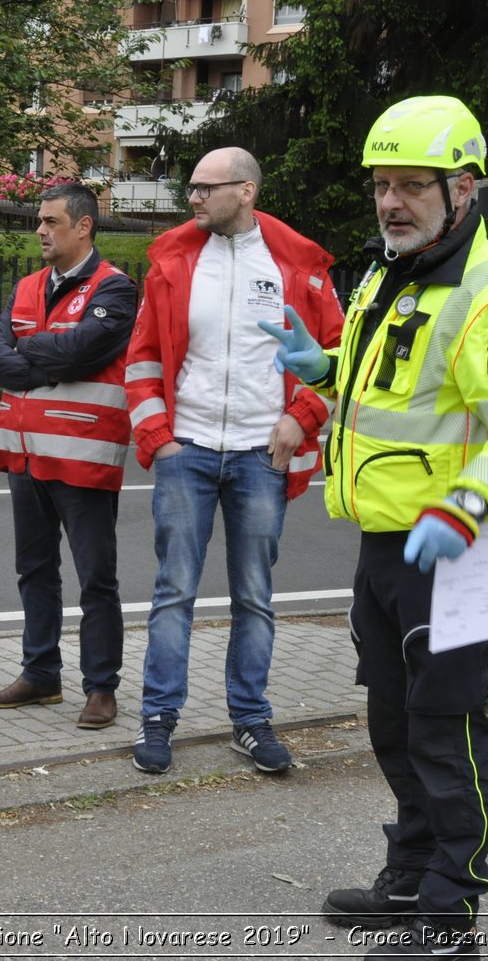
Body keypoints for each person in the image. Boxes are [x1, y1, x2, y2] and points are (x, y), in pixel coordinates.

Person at [262, 96, 488, 956]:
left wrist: (466, 503)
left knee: (446, 724)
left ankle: (450, 912)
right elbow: (388, 385)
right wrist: (323, 366)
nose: (391, 201)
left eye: (412, 186)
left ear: (462, 189)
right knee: (393, 721)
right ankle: (413, 868)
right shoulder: (388, 269)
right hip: (387, 541)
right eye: (381, 185)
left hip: (456, 544)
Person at [124, 147, 344, 775]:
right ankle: (159, 718)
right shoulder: (171, 260)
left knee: (254, 596)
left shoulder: (298, 265)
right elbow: (140, 360)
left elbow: (333, 355)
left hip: (261, 455)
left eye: (203, 188)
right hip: (186, 451)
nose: (191, 198)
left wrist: (299, 420)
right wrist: (160, 439)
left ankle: (249, 720)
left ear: (245, 191)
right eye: (189, 187)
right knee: (174, 593)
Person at [0, 182, 137, 729]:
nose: (40, 231)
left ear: (83, 226)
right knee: (35, 570)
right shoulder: (26, 286)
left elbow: (83, 351)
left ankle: (101, 688)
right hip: (25, 456)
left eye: (51, 222)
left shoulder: (116, 290)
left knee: (96, 577)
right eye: (38, 222)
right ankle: (41, 674)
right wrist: (46, 354)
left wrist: (31, 348)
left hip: (83, 456)